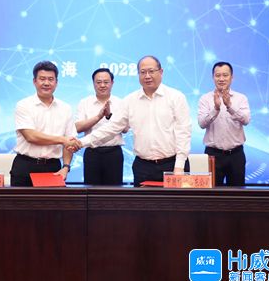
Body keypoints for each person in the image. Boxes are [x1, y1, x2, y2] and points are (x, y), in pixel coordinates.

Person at [70, 56, 191, 187]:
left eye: (151, 71)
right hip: (143, 167)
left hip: (173, 165)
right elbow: (111, 128)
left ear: (161, 72)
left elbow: (183, 132)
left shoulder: (176, 97)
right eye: (143, 72)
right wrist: (81, 142)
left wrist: (179, 166)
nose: (147, 76)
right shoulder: (130, 100)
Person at [10, 61, 80, 187]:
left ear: (56, 82)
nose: (46, 83)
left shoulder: (66, 108)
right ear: (34, 81)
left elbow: (69, 142)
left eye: (50, 79)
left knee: (51, 201)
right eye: (42, 79)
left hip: (53, 167)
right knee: (21, 200)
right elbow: (31, 136)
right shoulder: (23, 105)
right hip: (25, 166)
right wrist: (62, 140)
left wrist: (66, 167)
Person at [198, 61, 251, 186]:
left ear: (232, 77)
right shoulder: (205, 99)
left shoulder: (241, 98)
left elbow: (246, 120)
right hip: (213, 155)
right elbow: (201, 123)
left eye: (225, 75)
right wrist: (216, 109)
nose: (221, 79)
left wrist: (230, 106)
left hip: (236, 155)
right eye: (218, 75)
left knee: (238, 193)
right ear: (213, 77)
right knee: (211, 194)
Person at [75, 68, 126, 185]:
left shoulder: (121, 103)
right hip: (92, 153)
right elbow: (77, 128)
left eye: (106, 82)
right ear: (93, 83)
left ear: (112, 83)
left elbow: (125, 129)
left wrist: (109, 116)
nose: (102, 85)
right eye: (98, 82)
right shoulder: (84, 103)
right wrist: (98, 117)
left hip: (114, 153)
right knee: (91, 190)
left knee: (114, 191)